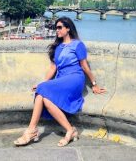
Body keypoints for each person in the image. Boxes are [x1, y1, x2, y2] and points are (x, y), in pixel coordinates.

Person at [14, 16, 106, 147]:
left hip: (75, 78)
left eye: (59, 27)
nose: (56, 30)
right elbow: (53, 68)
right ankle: (68, 130)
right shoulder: (58, 47)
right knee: (42, 96)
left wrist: (94, 84)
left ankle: (31, 131)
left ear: (68, 28)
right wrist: (43, 82)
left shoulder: (77, 45)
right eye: (55, 28)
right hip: (62, 79)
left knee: (42, 92)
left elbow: (84, 66)